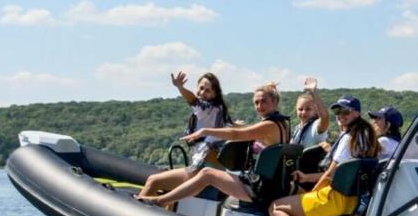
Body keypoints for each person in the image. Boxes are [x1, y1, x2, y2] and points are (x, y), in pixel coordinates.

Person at [138, 83, 290, 207]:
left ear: (275, 102)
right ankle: (163, 202)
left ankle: (160, 201)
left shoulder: (269, 125)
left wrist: (205, 131)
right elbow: (249, 131)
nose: (259, 106)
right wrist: (234, 126)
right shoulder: (282, 124)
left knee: (207, 174)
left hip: (260, 188)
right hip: (268, 185)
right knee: (206, 173)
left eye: (264, 101)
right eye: (256, 102)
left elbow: (237, 135)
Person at [269, 96, 379, 216]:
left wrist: (312, 193)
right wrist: (307, 178)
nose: (340, 115)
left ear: (356, 114)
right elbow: (340, 173)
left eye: (345, 112)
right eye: (338, 112)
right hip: (350, 201)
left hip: (333, 201)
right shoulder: (364, 136)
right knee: (297, 193)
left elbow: (329, 175)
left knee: (275, 207)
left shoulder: (348, 138)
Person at [136, 71, 232, 198]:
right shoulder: (219, 111)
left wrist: (180, 88)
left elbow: (193, 101)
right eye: (201, 88)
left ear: (215, 94)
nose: (202, 93)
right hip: (211, 167)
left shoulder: (209, 109)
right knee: (170, 193)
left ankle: (133, 208)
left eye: (208, 91)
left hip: (202, 168)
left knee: (153, 181)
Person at [292, 77, 330, 147]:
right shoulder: (297, 129)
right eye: (300, 109)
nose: (303, 112)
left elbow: (325, 116)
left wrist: (313, 92)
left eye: (308, 109)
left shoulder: (317, 126)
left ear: (316, 110)